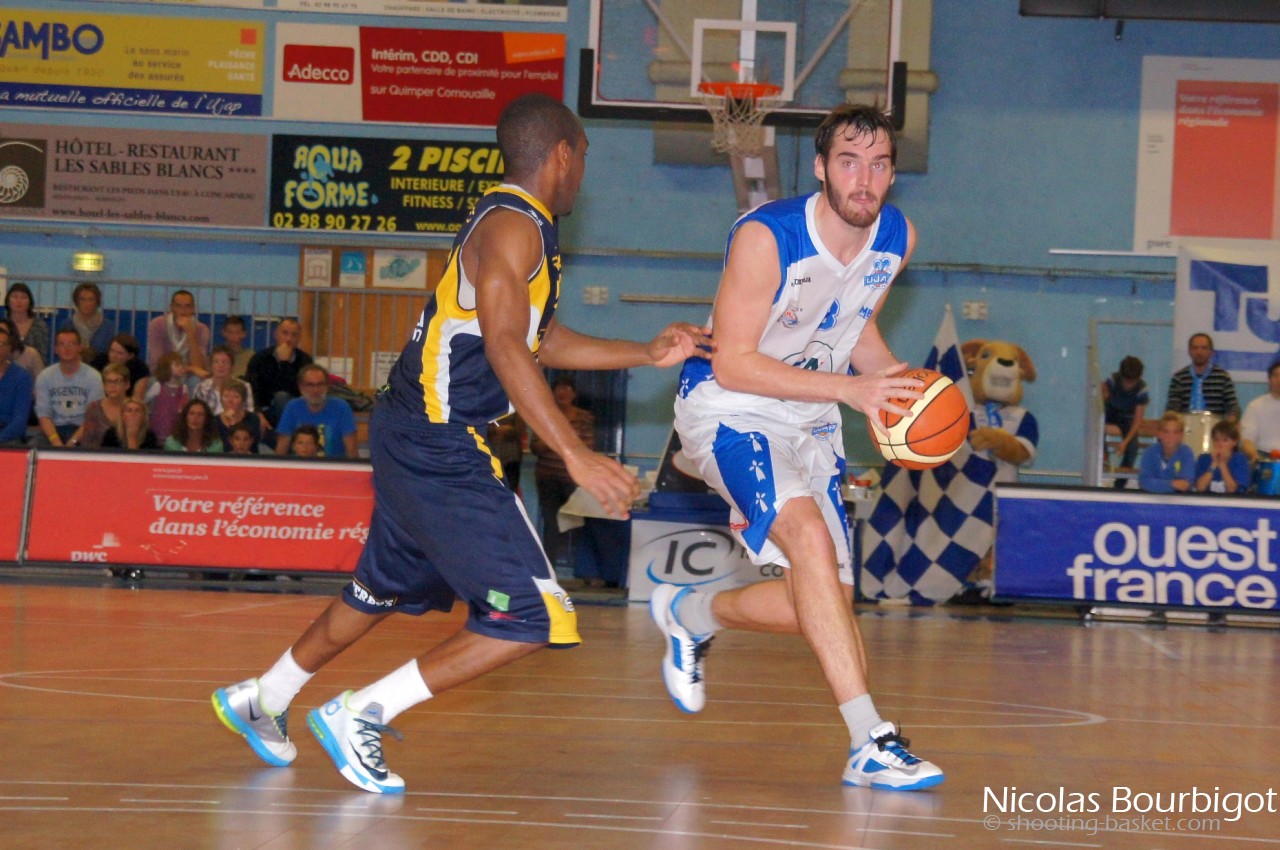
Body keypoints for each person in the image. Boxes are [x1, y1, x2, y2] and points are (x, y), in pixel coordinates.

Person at [211, 92, 706, 795]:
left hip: (414, 430)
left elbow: (538, 338)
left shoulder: (521, 226)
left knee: (379, 588)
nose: (583, 174)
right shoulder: (513, 227)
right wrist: (574, 453)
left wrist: (643, 352)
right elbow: (506, 345)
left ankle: (265, 696)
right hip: (439, 440)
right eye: (585, 158)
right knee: (533, 616)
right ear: (562, 154)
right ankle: (362, 713)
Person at [657, 104, 942, 791]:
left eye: (878, 165)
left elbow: (853, 327)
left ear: (892, 174)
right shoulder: (768, 237)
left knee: (824, 601)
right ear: (820, 168)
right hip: (729, 407)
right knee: (808, 539)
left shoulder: (897, 235)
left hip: (810, 414)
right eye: (849, 162)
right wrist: (850, 392)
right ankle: (869, 740)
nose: (863, 179)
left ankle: (691, 611)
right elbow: (733, 364)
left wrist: (897, 388)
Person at [530, 376, 595, 564]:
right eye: (559, 388)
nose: (563, 392)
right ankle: (548, 568)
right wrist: (561, 442)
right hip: (547, 478)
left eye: (567, 388)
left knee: (580, 523)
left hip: (574, 480)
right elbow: (536, 447)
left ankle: (581, 567)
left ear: (574, 394)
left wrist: (558, 442)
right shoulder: (544, 414)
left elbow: (587, 447)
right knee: (551, 524)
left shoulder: (584, 417)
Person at [34, 328, 103, 447]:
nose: (67, 348)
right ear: (56, 349)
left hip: (83, 430)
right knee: (34, 447)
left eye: (71, 344)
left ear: (80, 347)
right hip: (54, 430)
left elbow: (93, 417)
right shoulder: (45, 376)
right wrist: (56, 442)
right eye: (62, 344)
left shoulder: (94, 377)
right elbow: (43, 414)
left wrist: (73, 442)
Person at [274, 364, 357, 458]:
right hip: (300, 465)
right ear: (301, 387)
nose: (315, 390)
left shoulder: (341, 407)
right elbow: (282, 448)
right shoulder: (292, 407)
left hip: (333, 466)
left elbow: (352, 450)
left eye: (320, 384)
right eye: (310, 385)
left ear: (327, 386)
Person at [245, 318, 312, 426]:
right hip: (265, 411)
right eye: (285, 333)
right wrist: (258, 414)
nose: (289, 339)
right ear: (275, 334)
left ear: (299, 338)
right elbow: (252, 390)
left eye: (294, 335)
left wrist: (284, 363)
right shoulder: (259, 359)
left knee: (281, 397)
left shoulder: (305, 361)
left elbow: (296, 391)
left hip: (295, 410)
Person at [1165, 333, 1239, 421]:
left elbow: (1233, 407)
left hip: (1215, 427)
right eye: (1195, 348)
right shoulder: (1179, 378)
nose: (1199, 352)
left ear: (1211, 352)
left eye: (1204, 348)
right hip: (1185, 426)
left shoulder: (1223, 377)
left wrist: (1230, 421)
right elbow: (1172, 408)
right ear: (1189, 351)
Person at [1101, 355, 1148, 483]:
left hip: (1127, 417)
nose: (1128, 385)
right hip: (1110, 412)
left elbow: (1137, 420)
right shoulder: (1112, 381)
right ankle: (1104, 457)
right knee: (1098, 428)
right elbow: (1099, 407)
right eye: (1126, 381)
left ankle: (1120, 484)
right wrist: (1103, 395)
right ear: (1120, 376)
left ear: (1139, 378)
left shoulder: (1142, 390)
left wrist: (1125, 442)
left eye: (1132, 382)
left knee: (1133, 447)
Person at [147, 289, 210, 380]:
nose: (183, 311)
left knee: (196, 380)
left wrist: (190, 333)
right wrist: (190, 368)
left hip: (189, 376)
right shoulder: (157, 324)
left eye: (187, 306)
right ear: (172, 308)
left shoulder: (202, 329)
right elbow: (157, 362)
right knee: (154, 381)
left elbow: (198, 366)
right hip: (163, 374)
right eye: (178, 306)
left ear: (193, 309)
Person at [1137, 411, 1196, 494]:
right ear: (1159, 434)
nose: (1170, 436)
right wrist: (1171, 484)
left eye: (1175, 432)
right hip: (1152, 499)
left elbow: (1185, 485)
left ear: (1181, 435)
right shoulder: (1150, 452)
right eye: (1166, 432)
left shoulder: (1186, 453)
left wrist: (1156, 484)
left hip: (1179, 500)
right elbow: (1144, 482)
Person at [75, 363, 130, 448]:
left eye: (117, 381)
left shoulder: (134, 408)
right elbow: (87, 440)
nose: (112, 386)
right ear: (104, 385)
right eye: (108, 382)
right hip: (97, 453)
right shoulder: (94, 408)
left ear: (127, 385)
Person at [195, 345, 257, 415]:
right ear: (211, 366)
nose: (221, 365)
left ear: (232, 367)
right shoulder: (202, 387)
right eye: (216, 362)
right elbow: (198, 415)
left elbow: (249, 415)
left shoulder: (244, 386)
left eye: (225, 362)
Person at [1240, 360, 1280, 464]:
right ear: (1269, 380)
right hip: (1264, 459)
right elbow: (1247, 441)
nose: (1279, 379)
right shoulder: (1255, 406)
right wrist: (1256, 457)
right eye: (1275, 375)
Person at [1193, 419, 1249, 494]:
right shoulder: (1203, 459)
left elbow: (1232, 490)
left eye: (1225, 440)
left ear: (1234, 442)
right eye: (1216, 440)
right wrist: (1213, 464)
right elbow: (1200, 488)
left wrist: (1222, 464)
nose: (1220, 444)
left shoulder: (1239, 459)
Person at [0, 322, 33, 446]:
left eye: (2, 344)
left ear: (10, 348)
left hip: (8, 436)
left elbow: (19, 421)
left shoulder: (22, 376)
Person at [144, 352, 189, 442]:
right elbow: (144, 401)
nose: (181, 367)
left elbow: (186, 406)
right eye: (177, 365)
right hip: (159, 426)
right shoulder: (158, 386)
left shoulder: (183, 388)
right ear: (166, 368)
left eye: (181, 364)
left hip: (175, 427)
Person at [91, 333, 150, 402]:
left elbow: (137, 399)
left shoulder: (140, 369)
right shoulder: (99, 361)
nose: (114, 356)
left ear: (130, 356)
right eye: (112, 351)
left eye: (120, 353)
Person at [216, 379, 269, 453]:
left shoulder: (253, 419)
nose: (230, 401)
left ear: (243, 400)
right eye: (226, 396)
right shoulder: (213, 421)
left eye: (236, 397)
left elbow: (249, 448)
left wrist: (233, 423)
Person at [4, 282, 49, 363]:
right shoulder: (3, 325)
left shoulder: (39, 325)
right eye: (15, 297)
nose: (19, 301)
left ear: (30, 302)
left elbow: (42, 354)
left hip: (33, 366)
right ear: (8, 301)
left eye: (24, 297)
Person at [70, 282, 116, 361]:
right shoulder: (68, 325)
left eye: (91, 299)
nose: (87, 304)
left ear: (97, 302)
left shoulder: (109, 326)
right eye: (82, 299)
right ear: (76, 302)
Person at [486, 412, 526, 492]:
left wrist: (509, 430)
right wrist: (494, 430)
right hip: (487, 458)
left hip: (510, 459)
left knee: (510, 491)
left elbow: (520, 430)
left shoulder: (515, 408)